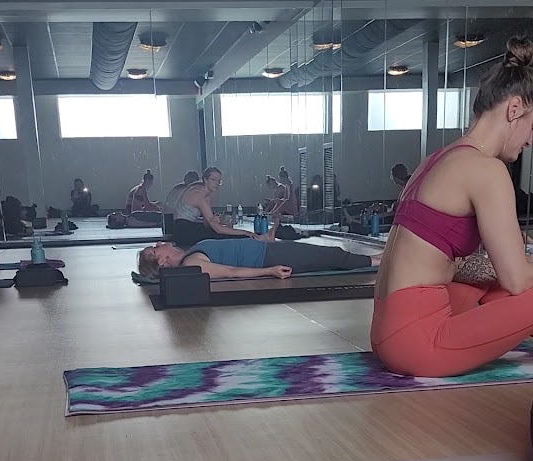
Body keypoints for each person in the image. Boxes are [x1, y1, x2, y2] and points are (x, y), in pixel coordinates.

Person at [371, 37, 533, 378]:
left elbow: (456, 266)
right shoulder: (487, 170)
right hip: (419, 342)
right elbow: (518, 281)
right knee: (517, 282)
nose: (530, 140)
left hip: (388, 332)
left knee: (493, 282)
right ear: (515, 109)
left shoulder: (437, 160)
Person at [138, 235, 380, 281]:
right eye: (154, 250)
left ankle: (376, 259)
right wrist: (270, 271)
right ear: (162, 262)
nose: (159, 244)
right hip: (270, 258)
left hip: (268, 250)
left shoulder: (192, 252)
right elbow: (231, 272)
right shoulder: (193, 264)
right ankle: (377, 261)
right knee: (330, 256)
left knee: (326, 255)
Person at [171, 166, 256, 247]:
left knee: (227, 234)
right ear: (205, 180)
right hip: (183, 231)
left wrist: (218, 221)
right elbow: (217, 229)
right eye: (213, 180)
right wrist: (245, 232)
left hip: (189, 227)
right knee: (231, 236)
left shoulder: (206, 194)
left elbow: (207, 224)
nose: (216, 183)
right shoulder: (198, 194)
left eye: (219, 181)